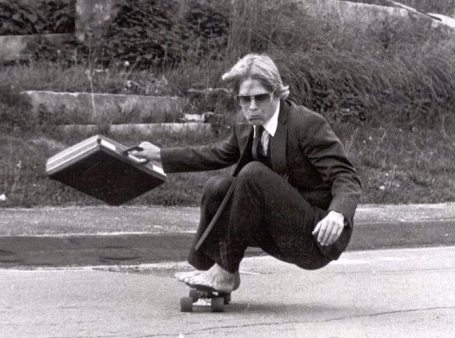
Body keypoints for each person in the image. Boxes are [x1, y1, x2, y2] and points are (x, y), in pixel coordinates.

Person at [131, 54, 362, 294]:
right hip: (277, 232)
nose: (252, 107)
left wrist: (338, 214)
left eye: (260, 98)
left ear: (276, 93)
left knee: (252, 174)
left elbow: (346, 175)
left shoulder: (305, 124)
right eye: (244, 99)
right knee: (217, 186)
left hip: (315, 237)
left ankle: (224, 273)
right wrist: (160, 155)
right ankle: (211, 271)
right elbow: (215, 154)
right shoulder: (244, 124)